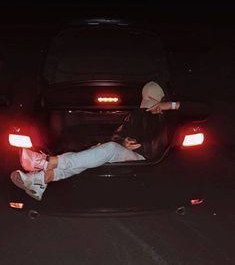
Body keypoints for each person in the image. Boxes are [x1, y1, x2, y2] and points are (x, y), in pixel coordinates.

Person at [10, 81, 208, 201]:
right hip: (131, 154)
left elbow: (203, 110)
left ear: (162, 99)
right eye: (146, 102)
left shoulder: (170, 114)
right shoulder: (137, 114)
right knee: (93, 154)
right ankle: (40, 180)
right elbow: (117, 135)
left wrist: (170, 106)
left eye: (154, 102)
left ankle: (46, 162)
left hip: (152, 158)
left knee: (108, 149)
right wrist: (123, 141)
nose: (149, 106)